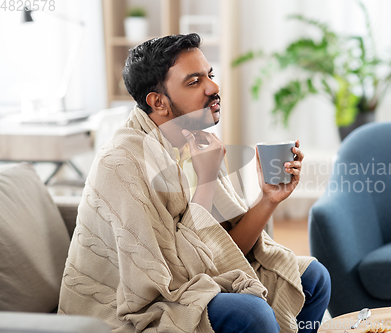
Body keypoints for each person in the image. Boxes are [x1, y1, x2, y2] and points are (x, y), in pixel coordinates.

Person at [58, 33, 330, 333]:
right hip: (135, 306)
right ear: (158, 102)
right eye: (194, 81)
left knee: (313, 278)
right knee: (250, 313)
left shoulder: (194, 142)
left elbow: (224, 252)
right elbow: (172, 278)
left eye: (210, 75)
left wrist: (268, 199)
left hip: (193, 279)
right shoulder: (122, 164)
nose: (213, 87)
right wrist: (207, 179)